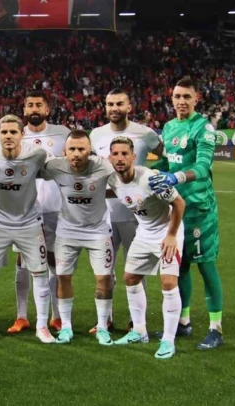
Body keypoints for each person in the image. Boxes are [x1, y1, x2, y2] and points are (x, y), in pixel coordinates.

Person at [148, 77, 224, 350]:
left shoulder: (203, 128)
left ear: (196, 99)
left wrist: (176, 177)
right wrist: (145, 172)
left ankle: (216, 328)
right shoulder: (169, 127)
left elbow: (202, 167)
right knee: (180, 267)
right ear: (171, 99)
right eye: (177, 96)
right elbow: (168, 161)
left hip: (200, 209)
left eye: (186, 97)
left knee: (206, 266)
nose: (181, 101)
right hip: (176, 209)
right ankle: (183, 322)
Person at [0, 114, 55, 344]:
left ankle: (42, 326)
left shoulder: (37, 153)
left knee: (40, 273)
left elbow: (54, 167)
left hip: (29, 222)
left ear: (22, 134)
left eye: (13, 132)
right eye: (4, 132)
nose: (8, 136)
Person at [88, 88, 164, 333]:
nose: (114, 108)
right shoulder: (96, 135)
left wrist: (156, 176)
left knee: (137, 271)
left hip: (137, 216)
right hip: (104, 215)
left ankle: (136, 322)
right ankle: (105, 320)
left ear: (129, 107)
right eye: (110, 104)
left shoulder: (145, 133)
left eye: (119, 103)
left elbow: (168, 157)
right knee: (104, 270)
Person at [107, 137, 185, 359]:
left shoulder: (151, 179)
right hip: (144, 232)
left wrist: (171, 236)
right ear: (110, 157)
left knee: (168, 282)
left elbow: (179, 203)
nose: (120, 158)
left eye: (124, 154)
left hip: (167, 232)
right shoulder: (112, 180)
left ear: (133, 157)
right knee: (131, 278)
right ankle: (139, 331)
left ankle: (168, 340)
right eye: (115, 154)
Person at [38, 130, 116, 345]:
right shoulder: (55, 166)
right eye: (72, 149)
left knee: (104, 278)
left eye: (81, 149)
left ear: (90, 151)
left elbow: (126, 178)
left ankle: (102, 327)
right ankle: (66, 327)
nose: (76, 154)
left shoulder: (104, 166)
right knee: (63, 277)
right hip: (67, 232)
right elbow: (26, 172)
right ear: (65, 151)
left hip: (98, 231)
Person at [9, 90, 69, 334]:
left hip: (56, 208)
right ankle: (22, 316)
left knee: (54, 260)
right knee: (23, 262)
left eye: (38, 105)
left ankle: (56, 316)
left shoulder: (62, 133)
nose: (34, 109)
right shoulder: (15, 135)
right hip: (25, 210)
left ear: (47, 109)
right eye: (30, 105)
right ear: (24, 110)